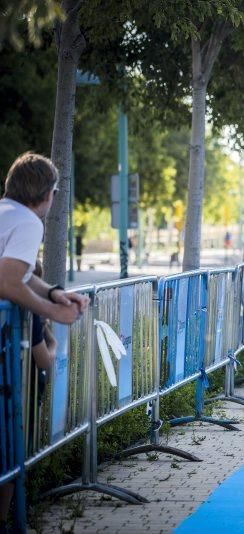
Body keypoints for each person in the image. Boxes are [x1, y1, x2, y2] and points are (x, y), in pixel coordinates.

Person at [0, 152, 89, 529]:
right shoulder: (28, 221)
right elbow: (6, 280)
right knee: (7, 444)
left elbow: (16, 272)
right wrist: (55, 314)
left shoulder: (5, 212)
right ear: (49, 194)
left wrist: (54, 293)